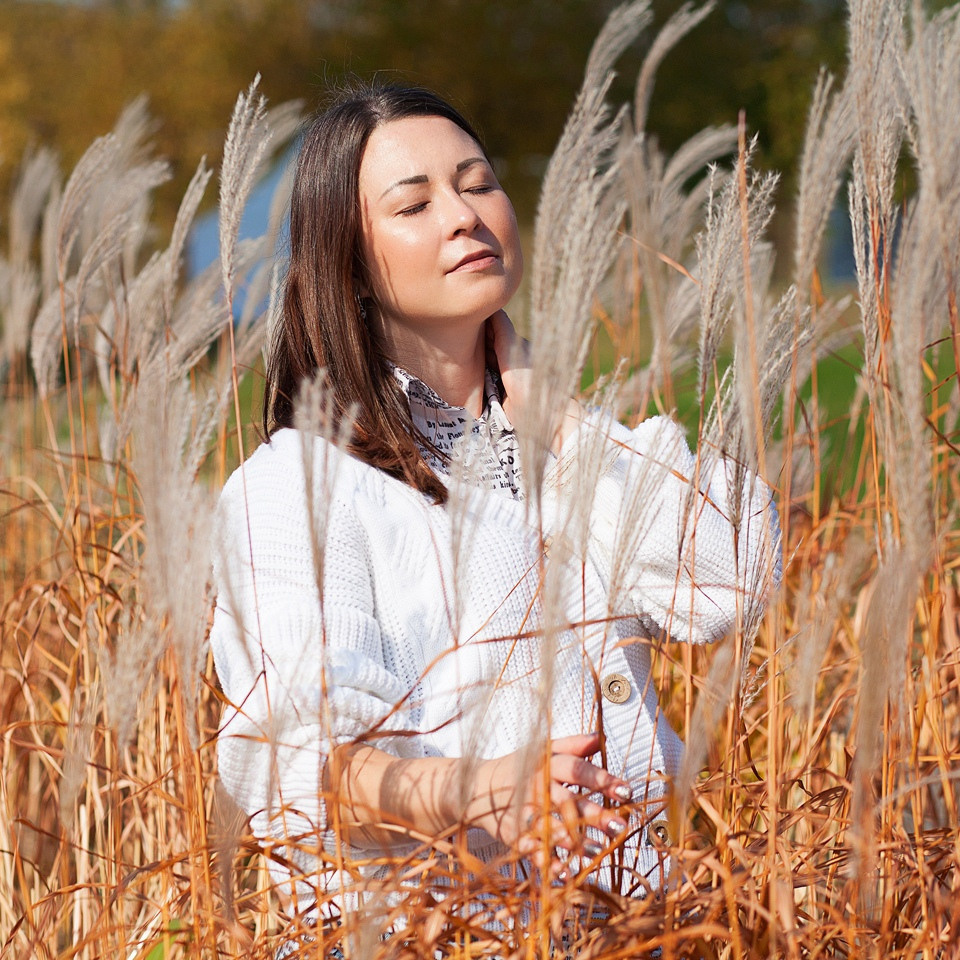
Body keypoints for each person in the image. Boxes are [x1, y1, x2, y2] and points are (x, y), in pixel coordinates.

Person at [209, 82, 781, 950]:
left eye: (478, 184)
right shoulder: (296, 490)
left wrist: (562, 420)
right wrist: (474, 789)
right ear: (348, 264)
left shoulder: (569, 451)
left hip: (638, 930)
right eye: (414, 203)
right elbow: (294, 765)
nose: (464, 216)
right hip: (429, 939)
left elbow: (739, 574)